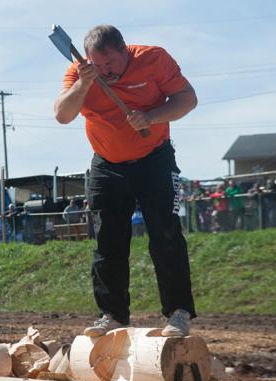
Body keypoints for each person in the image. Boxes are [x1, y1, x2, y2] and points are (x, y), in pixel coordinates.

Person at [54, 24, 198, 337]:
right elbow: (63, 115)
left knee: (166, 235)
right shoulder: (80, 71)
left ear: (124, 50)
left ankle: (178, 312)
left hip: (154, 159)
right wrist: (83, 82)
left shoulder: (153, 59)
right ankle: (112, 315)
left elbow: (187, 99)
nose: (104, 71)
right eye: (97, 65)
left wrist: (151, 117)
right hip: (107, 165)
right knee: (108, 242)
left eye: (110, 64)